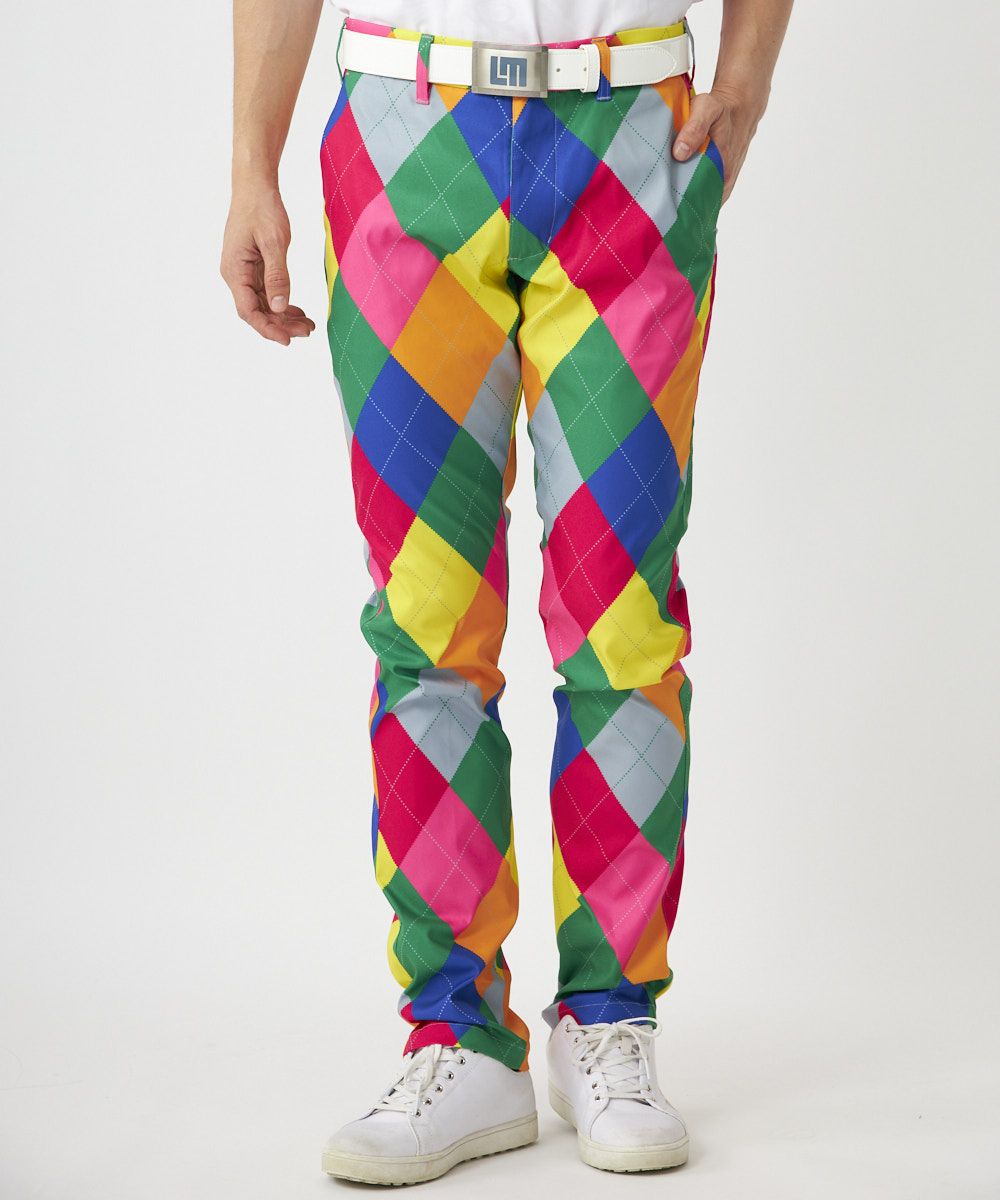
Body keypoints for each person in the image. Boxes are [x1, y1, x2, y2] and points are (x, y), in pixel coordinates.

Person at [221, 0, 791, 1183]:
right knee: (425, 622)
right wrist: (250, 160)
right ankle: (458, 1035)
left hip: (633, 133)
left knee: (624, 617)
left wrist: (746, 75)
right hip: (403, 133)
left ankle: (609, 1020)